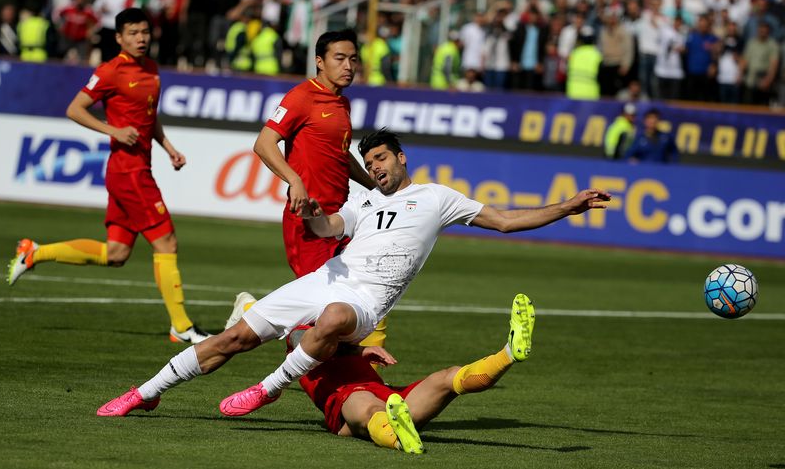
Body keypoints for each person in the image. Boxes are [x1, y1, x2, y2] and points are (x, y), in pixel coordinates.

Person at [95, 128, 611, 418]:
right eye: (370, 161)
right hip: (325, 279)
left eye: (382, 157)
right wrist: (309, 214)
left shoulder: (437, 198)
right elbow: (328, 228)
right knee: (234, 337)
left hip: (365, 301)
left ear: (402, 158)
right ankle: (144, 393)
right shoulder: (363, 200)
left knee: (336, 318)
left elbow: (505, 220)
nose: (376, 166)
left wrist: (567, 206)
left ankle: (268, 388)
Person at [6, 8, 210, 345]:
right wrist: (113, 130)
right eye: (133, 33)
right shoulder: (111, 71)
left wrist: (168, 147)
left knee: (115, 254)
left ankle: (34, 253)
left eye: (145, 32)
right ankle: (182, 326)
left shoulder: (151, 69)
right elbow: (75, 109)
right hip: (128, 173)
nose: (141, 38)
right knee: (166, 242)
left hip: (136, 168)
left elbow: (148, 117)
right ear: (119, 38)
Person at [252, 28, 383, 346]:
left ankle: (364, 370)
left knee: (366, 295)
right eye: (339, 58)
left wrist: (374, 186)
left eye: (353, 59)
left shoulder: (342, 103)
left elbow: (340, 155)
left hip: (340, 219)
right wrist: (295, 180)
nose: (348, 66)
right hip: (309, 221)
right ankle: (253, 317)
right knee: (321, 314)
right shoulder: (301, 97)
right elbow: (264, 143)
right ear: (320, 62)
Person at [277, 293, 535, 453]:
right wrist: (359, 351)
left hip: (391, 399)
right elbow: (304, 341)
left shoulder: (348, 329)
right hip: (345, 402)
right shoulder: (299, 332)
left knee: (447, 377)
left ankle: (508, 353)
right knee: (371, 407)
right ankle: (398, 438)